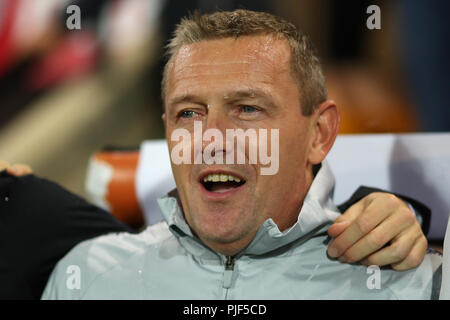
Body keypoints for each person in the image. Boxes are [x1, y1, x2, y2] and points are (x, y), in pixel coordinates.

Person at [6, 10, 442, 300]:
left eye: (247, 109)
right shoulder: (83, 275)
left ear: (319, 133)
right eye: (189, 113)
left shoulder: (411, 282)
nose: (211, 138)